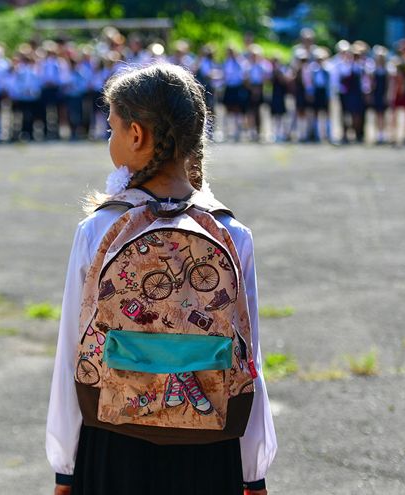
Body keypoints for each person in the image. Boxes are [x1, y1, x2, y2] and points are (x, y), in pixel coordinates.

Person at [45, 63, 277, 495]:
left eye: (112, 129)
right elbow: (250, 356)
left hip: (112, 437)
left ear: (136, 135)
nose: (110, 141)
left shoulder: (98, 231)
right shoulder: (230, 232)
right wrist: (253, 470)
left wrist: (65, 467)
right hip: (211, 438)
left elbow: (70, 352)